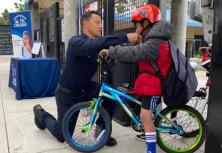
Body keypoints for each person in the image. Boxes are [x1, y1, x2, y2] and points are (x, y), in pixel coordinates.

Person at [33, 11, 141, 147]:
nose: (101, 26)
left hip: (86, 88)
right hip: (68, 94)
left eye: (101, 23)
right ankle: (40, 114)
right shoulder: (75, 42)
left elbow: (114, 48)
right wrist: (125, 37)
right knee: (62, 136)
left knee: (111, 94)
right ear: (85, 24)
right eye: (97, 22)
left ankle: (102, 132)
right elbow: (96, 45)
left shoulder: (97, 45)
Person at [99, 4, 174, 153]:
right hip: (147, 84)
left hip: (153, 86)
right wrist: (119, 59)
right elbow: (139, 58)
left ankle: (151, 150)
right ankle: (149, 130)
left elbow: (136, 52)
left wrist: (112, 52)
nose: (136, 30)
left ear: (146, 23)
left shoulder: (155, 42)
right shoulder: (153, 41)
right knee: (144, 115)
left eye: (137, 26)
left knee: (145, 117)